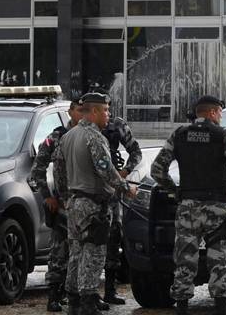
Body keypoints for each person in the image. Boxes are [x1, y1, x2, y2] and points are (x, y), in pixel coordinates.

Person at [151, 95, 226, 315]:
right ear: (214, 112)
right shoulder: (223, 135)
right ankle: (220, 308)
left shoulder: (179, 134)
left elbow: (157, 170)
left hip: (188, 207)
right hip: (217, 206)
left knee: (184, 260)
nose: (220, 118)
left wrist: (175, 191)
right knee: (219, 260)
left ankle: (183, 308)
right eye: (220, 114)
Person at [53, 93, 137, 315]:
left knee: (76, 253)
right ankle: (88, 303)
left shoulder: (68, 136)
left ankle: (73, 300)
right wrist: (126, 188)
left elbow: (58, 169)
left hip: (75, 203)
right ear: (95, 112)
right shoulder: (95, 137)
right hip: (93, 205)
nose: (109, 115)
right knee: (94, 254)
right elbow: (106, 170)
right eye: (106, 110)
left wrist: (65, 198)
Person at [89, 92, 142, 306]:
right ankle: (87, 294)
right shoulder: (84, 129)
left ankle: (109, 290)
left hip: (112, 190)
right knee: (90, 244)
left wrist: (125, 172)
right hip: (91, 189)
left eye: (109, 108)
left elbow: (136, 152)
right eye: (104, 108)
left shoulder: (117, 126)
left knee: (113, 238)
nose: (107, 112)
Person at [30, 100, 82, 312]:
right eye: (79, 110)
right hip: (63, 203)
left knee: (84, 252)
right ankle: (54, 294)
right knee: (59, 251)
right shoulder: (57, 136)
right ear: (70, 112)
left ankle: (80, 294)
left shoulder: (94, 136)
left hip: (86, 203)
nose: (82, 114)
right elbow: (38, 168)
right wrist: (47, 196)